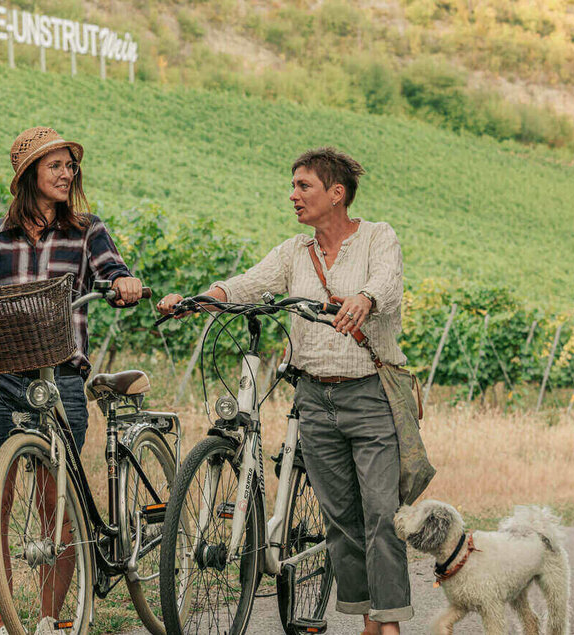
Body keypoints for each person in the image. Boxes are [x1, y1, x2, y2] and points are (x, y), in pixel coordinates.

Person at [156, 147, 412, 635]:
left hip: (370, 395)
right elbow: (248, 284)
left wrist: (365, 297)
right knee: (340, 520)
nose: (293, 195)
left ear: (336, 194)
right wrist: (200, 300)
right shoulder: (294, 253)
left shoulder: (379, 238)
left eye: (304, 186)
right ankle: (365, 620)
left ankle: (390, 623)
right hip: (314, 398)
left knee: (380, 514)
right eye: (292, 186)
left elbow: (388, 284)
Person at [0, 127, 143, 635]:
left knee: (54, 506)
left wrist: (123, 283)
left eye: (69, 166)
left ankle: (47, 620)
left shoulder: (86, 230)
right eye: (55, 165)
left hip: (58, 376)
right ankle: (3, 623)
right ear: (28, 175)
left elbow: (113, 270)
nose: (67, 174)